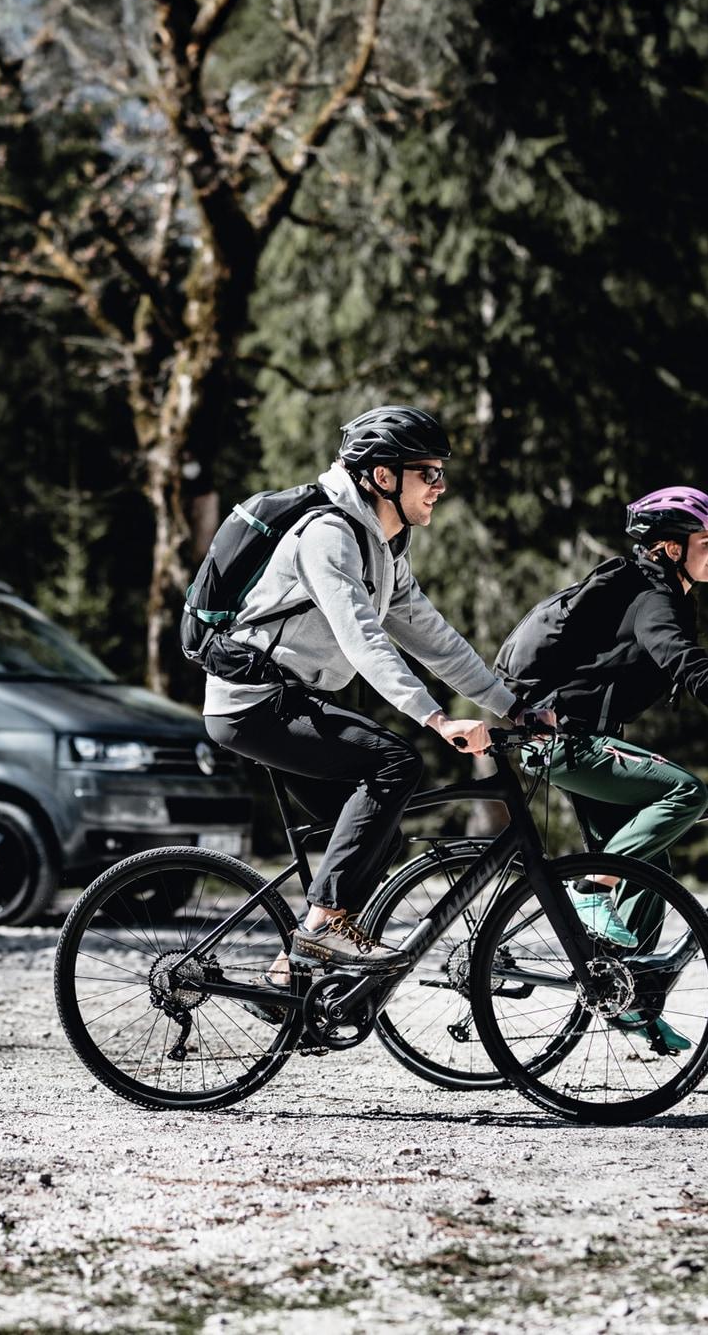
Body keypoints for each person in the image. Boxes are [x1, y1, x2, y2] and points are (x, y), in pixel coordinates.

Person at [203, 405, 521, 970]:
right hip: (252, 704)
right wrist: (435, 719)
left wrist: (512, 706)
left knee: (383, 841)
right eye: (429, 473)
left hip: (287, 701)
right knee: (395, 764)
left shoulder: (383, 546)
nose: (440, 487)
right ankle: (325, 927)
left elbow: (433, 640)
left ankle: (290, 976)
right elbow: (362, 638)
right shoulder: (329, 534)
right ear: (383, 476)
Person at [510, 486, 708, 999]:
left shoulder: (664, 597)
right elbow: (684, 663)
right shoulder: (652, 597)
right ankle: (591, 888)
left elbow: (692, 676)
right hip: (567, 740)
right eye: (705, 540)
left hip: (574, 740)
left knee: (649, 866)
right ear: (671, 548)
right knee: (686, 794)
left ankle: (632, 1000)